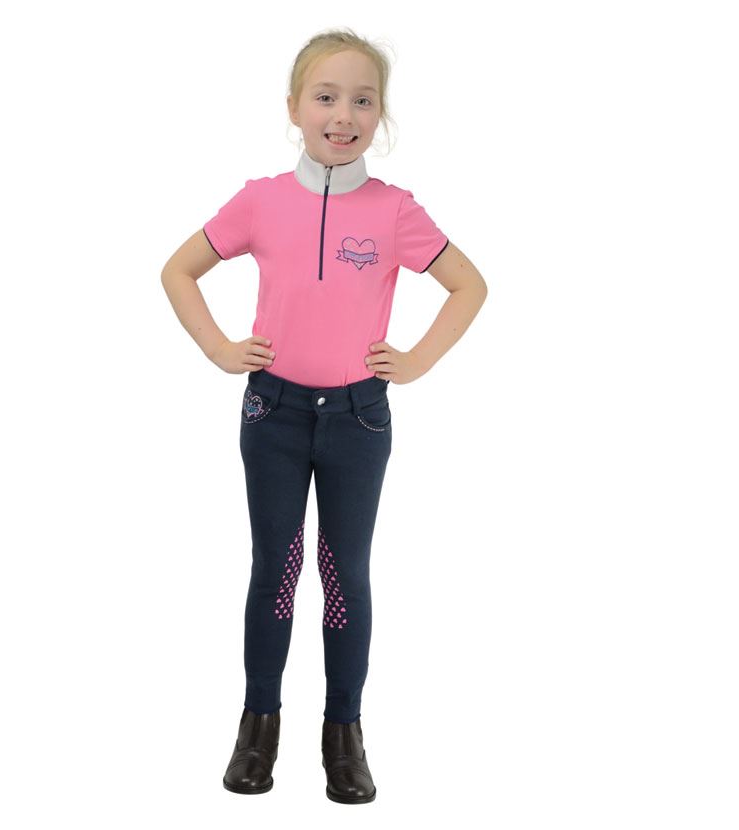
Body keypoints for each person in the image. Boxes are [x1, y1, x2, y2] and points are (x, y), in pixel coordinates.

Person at [161, 28, 487, 805]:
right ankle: (258, 723)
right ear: (294, 108)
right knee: (275, 568)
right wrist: (218, 348)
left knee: (344, 573)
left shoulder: (394, 211)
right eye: (326, 97)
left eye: (363, 101)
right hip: (272, 411)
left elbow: (469, 285)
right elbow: (178, 270)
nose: (344, 115)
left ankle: (344, 732)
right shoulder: (261, 200)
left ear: (381, 114)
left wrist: (417, 360)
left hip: (357, 419)